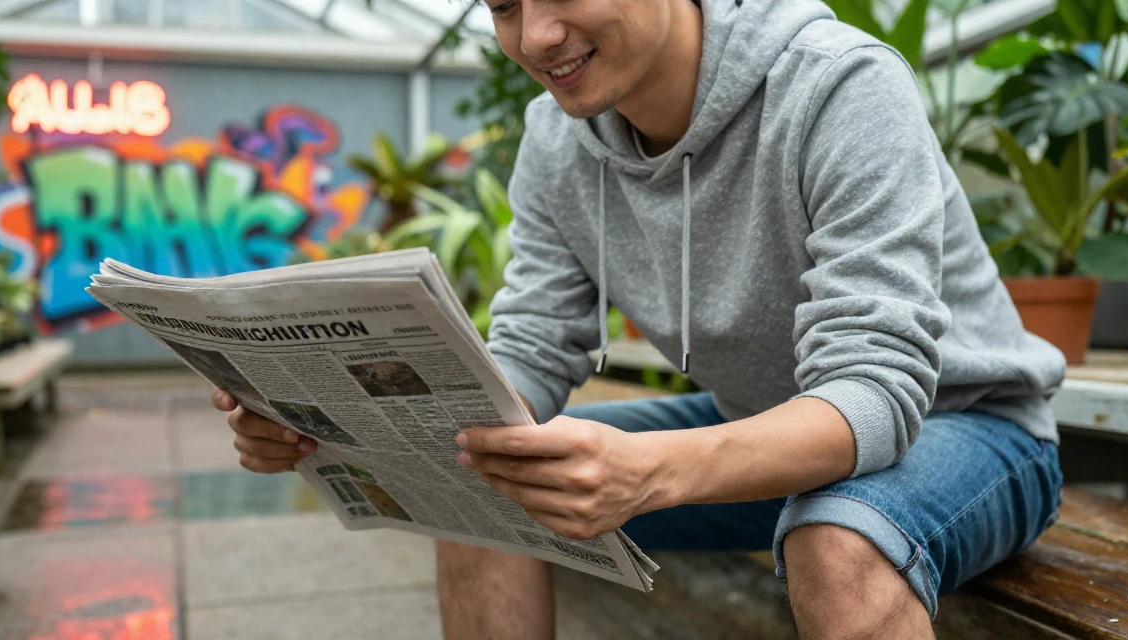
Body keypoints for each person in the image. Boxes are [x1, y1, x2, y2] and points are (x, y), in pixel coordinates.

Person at [211, 0, 1067, 637]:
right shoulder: (556, 143)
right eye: (506, 7)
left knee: (839, 541)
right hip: (760, 421)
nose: (536, 37)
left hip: (972, 426)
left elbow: (877, 394)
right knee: (487, 476)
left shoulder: (840, 85)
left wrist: (654, 471)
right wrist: (332, 419)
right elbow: (535, 351)